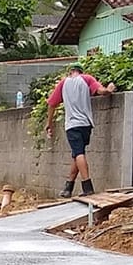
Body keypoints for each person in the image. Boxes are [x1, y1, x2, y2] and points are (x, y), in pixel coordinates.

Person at [47, 66, 114, 199]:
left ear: (70, 71)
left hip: (72, 125)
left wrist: (49, 123)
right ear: (80, 71)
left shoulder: (63, 83)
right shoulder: (87, 79)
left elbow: (52, 104)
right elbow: (101, 91)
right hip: (86, 124)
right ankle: (68, 187)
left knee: (79, 154)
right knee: (78, 154)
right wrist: (109, 89)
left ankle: (87, 186)